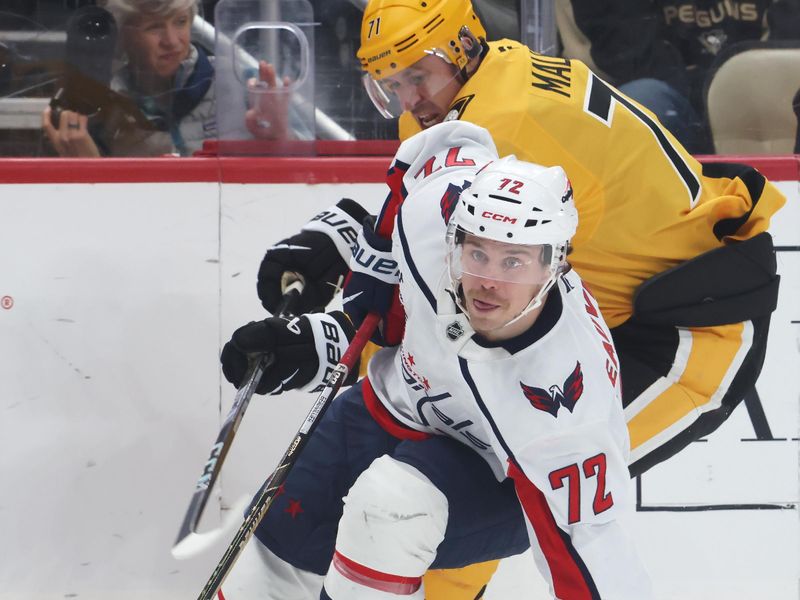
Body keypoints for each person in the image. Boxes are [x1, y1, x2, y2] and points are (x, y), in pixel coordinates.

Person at [220, 120, 654, 600]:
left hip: (497, 479)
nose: (487, 280)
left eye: (513, 261)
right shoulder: (431, 217)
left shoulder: (564, 409)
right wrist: (368, 264)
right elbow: (444, 144)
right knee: (269, 559)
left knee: (390, 507)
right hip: (390, 408)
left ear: (555, 265)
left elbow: (596, 561)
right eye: (477, 253)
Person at [560, 0, 800, 153]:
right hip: (670, 100)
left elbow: (786, 45)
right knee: (644, 101)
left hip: (758, 103)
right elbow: (625, 52)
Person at [41, 0, 216, 157]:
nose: (171, 40)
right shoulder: (102, 106)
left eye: (181, 22)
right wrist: (90, 166)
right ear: (123, 36)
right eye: (154, 26)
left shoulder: (231, 83)